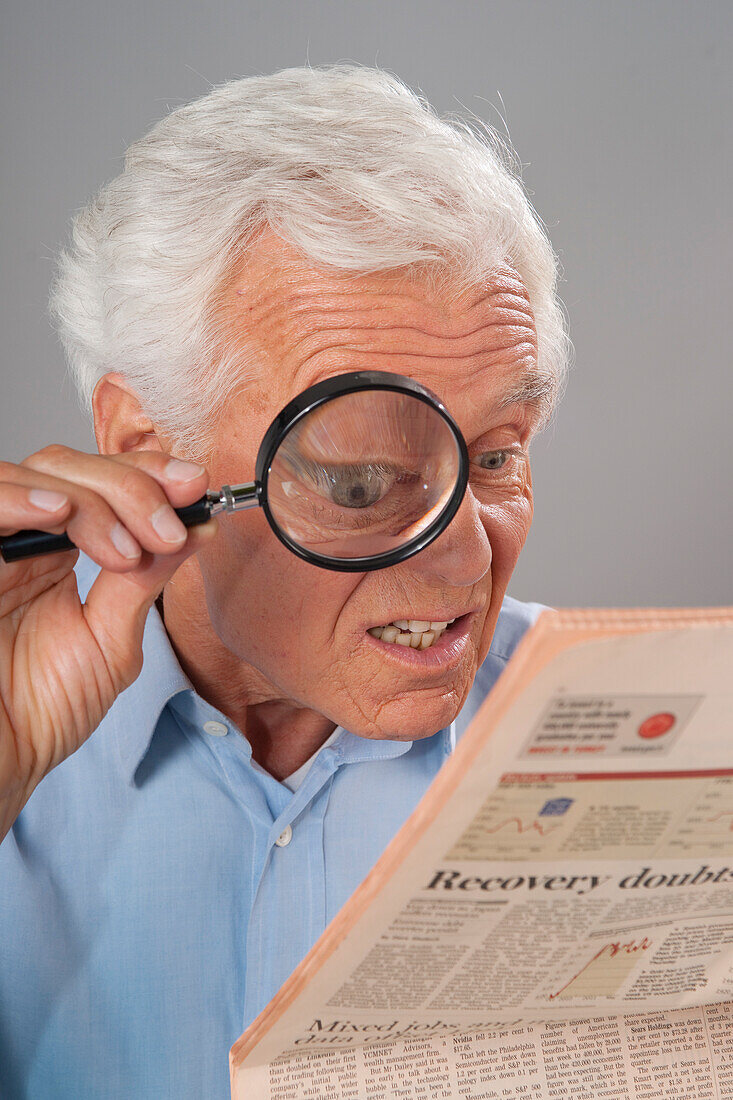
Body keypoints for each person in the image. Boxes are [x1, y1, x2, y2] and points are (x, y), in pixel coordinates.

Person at [0, 66, 570, 1098]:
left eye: (494, 456)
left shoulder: (648, 742)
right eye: (358, 478)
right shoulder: (10, 721)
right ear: (144, 447)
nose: (467, 558)